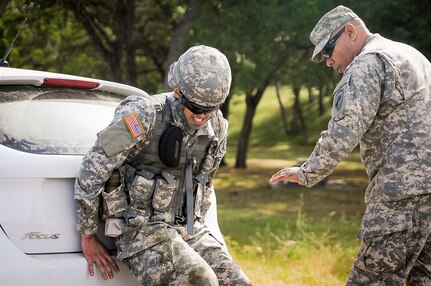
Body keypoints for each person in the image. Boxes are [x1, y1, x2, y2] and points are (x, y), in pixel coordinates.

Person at [270, 5, 431, 285]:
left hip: (401, 196)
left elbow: (345, 129)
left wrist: (308, 172)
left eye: (328, 50)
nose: (328, 62)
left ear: (350, 31)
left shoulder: (369, 63)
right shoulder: (413, 56)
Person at [75, 45, 252, 285]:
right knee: (200, 280)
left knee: (239, 282)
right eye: (196, 108)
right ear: (177, 91)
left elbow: (204, 184)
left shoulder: (217, 127)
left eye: (209, 109)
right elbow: (93, 169)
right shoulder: (145, 115)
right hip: (140, 231)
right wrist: (87, 235)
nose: (201, 117)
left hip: (188, 230)